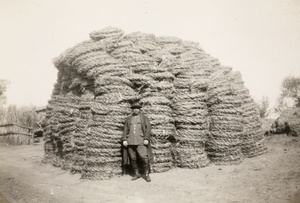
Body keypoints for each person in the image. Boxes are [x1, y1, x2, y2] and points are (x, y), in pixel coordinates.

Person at [122, 102, 153, 182]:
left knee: (144, 157)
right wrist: (124, 139)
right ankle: (137, 173)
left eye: (137, 108)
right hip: (130, 141)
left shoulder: (144, 118)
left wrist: (146, 138)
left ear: (139, 109)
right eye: (134, 108)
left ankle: (146, 174)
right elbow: (125, 129)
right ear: (132, 109)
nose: (135, 110)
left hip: (140, 141)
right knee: (132, 158)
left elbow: (148, 129)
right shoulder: (129, 118)